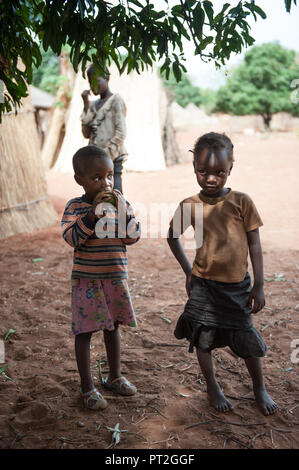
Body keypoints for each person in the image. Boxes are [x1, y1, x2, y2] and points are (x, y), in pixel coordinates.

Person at [167, 132, 277, 416]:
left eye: (220, 172)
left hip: (238, 287)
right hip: (204, 285)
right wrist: (188, 272)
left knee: (246, 338)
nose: (211, 179)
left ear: (231, 168)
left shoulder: (242, 201)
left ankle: (259, 387)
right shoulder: (190, 205)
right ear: (194, 169)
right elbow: (172, 236)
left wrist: (260, 285)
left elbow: (254, 244)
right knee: (203, 338)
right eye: (203, 171)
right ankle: (212, 386)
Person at [61, 145, 141, 410]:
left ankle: (114, 376)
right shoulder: (75, 207)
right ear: (79, 180)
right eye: (97, 178)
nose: (106, 183)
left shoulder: (121, 202)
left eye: (109, 176)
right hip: (87, 282)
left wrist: (121, 212)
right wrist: (92, 215)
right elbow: (72, 238)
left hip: (114, 279)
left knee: (112, 327)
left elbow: (132, 237)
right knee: (84, 332)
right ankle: (87, 388)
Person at [81, 65, 127, 193]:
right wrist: (85, 106)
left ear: (107, 78)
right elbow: (86, 134)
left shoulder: (115, 100)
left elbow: (121, 133)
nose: (93, 86)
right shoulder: (92, 105)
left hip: (112, 157)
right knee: (97, 197)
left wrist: (105, 156)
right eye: (91, 82)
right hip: (95, 161)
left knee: (115, 194)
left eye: (96, 81)